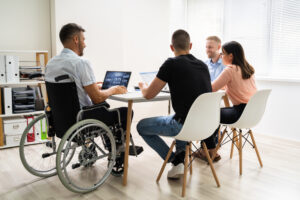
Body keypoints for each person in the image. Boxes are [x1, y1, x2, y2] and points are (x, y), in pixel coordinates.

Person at [136, 29, 212, 179]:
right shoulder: (203, 65)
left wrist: (142, 85)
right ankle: (180, 159)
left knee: (141, 126)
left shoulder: (171, 64)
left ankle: (175, 160)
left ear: (172, 47)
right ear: (190, 45)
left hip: (184, 126)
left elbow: (149, 95)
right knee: (179, 116)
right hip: (205, 125)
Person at [45, 23, 132, 150]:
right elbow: (97, 98)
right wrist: (114, 89)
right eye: (83, 39)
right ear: (76, 39)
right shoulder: (81, 63)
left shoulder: (51, 63)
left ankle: (99, 148)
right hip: (82, 119)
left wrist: (88, 86)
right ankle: (116, 151)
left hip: (61, 120)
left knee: (104, 107)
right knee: (124, 112)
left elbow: (67, 89)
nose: (85, 44)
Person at [193, 41, 257, 160]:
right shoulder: (248, 69)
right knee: (216, 114)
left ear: (231, 56)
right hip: (252, 112)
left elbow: (211, 88)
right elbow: (237, 85)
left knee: (207, 115)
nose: (221, 56)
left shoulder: (230, 69)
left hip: (239, 113)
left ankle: (209, 151)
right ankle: (210, 149)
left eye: (223, 54)